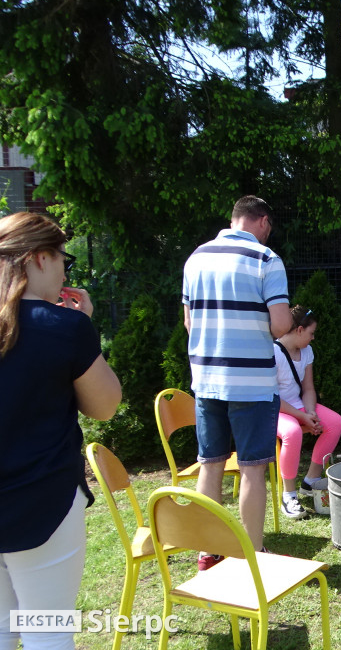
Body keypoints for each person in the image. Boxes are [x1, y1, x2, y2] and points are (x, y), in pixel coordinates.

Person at [0, 212, 122, 650]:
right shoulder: (64, 328)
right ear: (38, 258)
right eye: (63, 260)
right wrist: (83, 326)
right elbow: (105, 406)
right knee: (47, 634)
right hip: (44, 505)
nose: (65, 271)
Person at [182, 196, 291, 567]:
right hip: (252, 382)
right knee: (252, 469)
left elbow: (189, 322)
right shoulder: (266, 259)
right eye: (268, 229)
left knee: (210, 464)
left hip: (206, 379)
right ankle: (253, 552)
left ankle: (207, 550)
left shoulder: (195, 257)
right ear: (261, 222)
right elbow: (279, 326)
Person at [274, 305, 341, 519]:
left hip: (300, 406)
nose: (313, 338)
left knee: (335, 422)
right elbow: (273, 398)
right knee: (293, 432)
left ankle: (310, 481)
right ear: (299, 330)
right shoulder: (272, 352)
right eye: (311, 333)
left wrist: (311, 412)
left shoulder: (307, 351)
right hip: (276, 410)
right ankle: (289, 496)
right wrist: (303, 417)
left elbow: (308, 389)